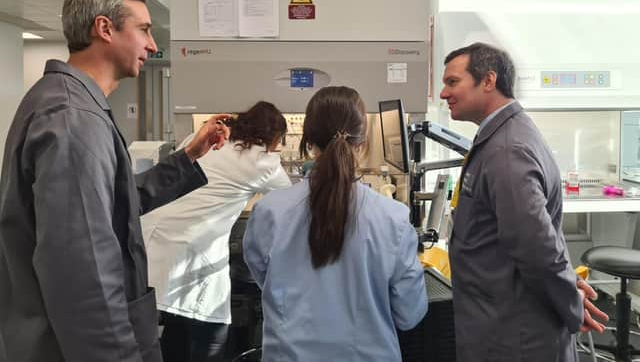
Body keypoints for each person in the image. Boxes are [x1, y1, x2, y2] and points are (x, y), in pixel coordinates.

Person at [0, 0, 231, 362]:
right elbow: (84, 273)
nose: (153, 45)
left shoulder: (65, 102)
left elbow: (118, 203)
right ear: (105, 29)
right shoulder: (74, 120)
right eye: (143, 29)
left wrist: (189, 156)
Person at [440, 42, 608, 362]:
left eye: (452, 82)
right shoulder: (501, 135)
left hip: (516, 339)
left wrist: (571, 302)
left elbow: (535, 246)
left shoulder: (506, 150)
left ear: (488, 81)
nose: (443, 94)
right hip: (501, 323)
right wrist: (569, 283)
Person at [243, 86, 427, 362]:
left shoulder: (270, 211)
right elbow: (409, 314)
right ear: (362, 144)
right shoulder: (393, 218)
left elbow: (264, 279)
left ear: (308, 141)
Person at [141, 101, 291, 362]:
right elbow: (291, 199)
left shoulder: (205, 138)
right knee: (211, 333)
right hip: (193, 253)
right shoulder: (263, 162)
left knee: (175, 325)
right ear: (274, 137)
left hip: (152, 244)